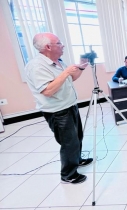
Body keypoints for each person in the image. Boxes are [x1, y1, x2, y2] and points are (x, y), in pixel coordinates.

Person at [25, 33, 92, 184]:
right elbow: (48, 91)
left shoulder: (58, 61)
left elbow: (72, 78)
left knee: (77, 137)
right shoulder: (36, 66)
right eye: (59, 43)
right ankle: (68, 175)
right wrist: (66, 72)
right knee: (69, 142)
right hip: (57, 111)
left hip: (70, 104)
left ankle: (77, 160)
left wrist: (81, 66)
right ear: (48, 47)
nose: (63, 46)